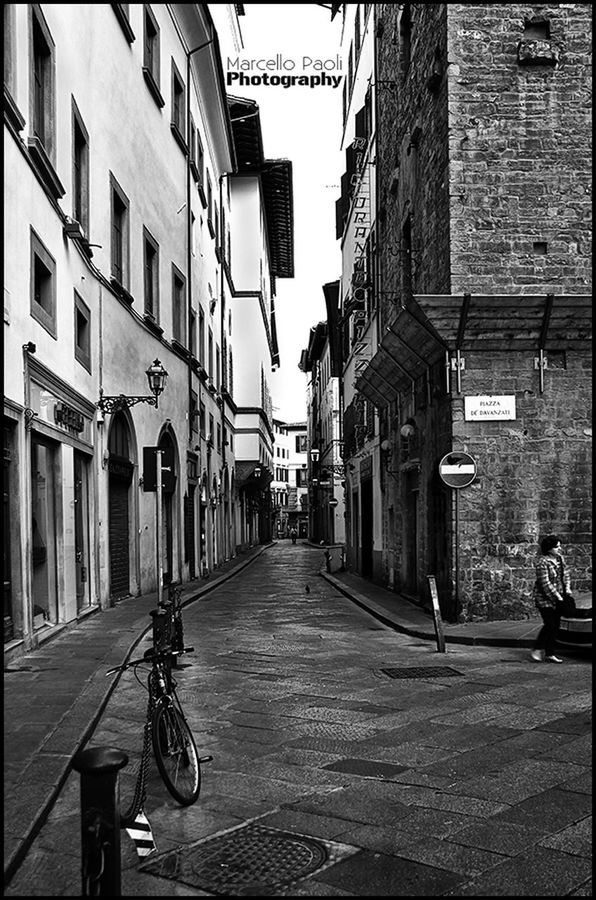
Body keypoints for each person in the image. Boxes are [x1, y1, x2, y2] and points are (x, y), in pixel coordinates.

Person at [531, 535, 574, 664]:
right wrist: (557, 596)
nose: (559, 549)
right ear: (549, 548)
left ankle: (550, 653)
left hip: (559, 597)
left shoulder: (560, 559)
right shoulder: (542, 563)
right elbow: (545, 583)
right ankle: (537, 648)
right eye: (556, 547)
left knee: (555, 626)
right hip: (545, 599)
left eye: (559, 546)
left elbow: (565, 574)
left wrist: (567, 588)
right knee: (549, 624)